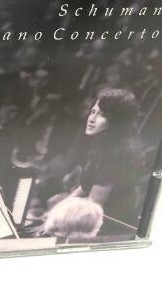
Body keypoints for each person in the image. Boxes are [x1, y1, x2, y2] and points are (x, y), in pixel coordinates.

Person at [54, 88, 143, 230]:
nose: (91, 119)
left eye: (102, 115)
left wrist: (54, 222)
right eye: (93, 111)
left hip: (107, 227)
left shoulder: (115, 155)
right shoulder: (104, 143)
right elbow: (86, 186)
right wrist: (55, 212)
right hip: (93, 215)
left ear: (117, 121)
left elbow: (91, 207)